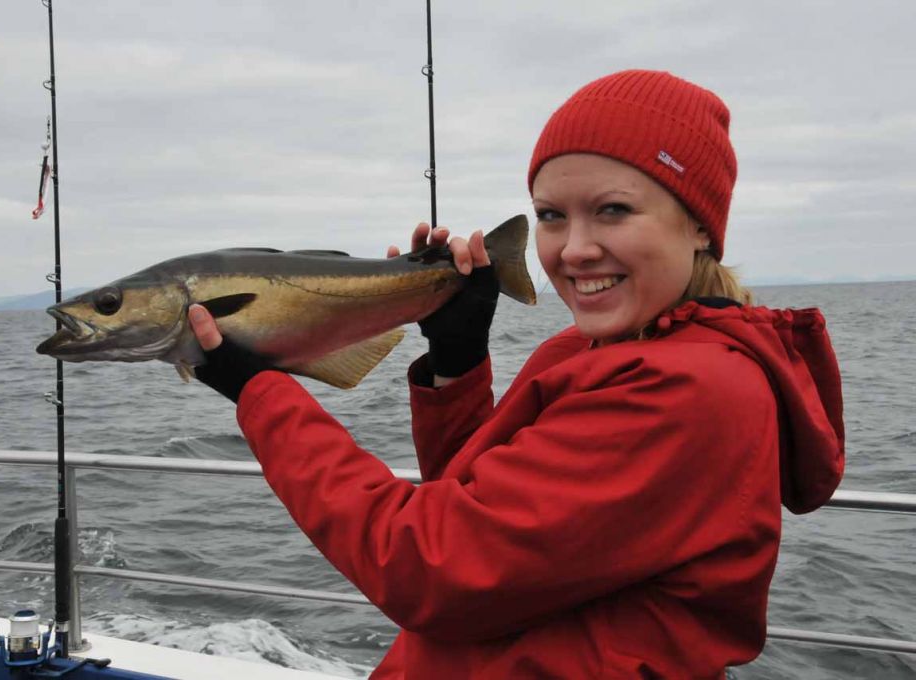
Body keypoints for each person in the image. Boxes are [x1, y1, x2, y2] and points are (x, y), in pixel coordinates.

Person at [187, 70, 845, 679]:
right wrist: (458, 360)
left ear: (701, 224)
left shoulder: (687, 390)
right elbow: (486, 509)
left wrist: (259, 392)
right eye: (552, 215)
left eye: (613, 210)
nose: (574, 248)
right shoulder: (590, 350)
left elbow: (433, 569)